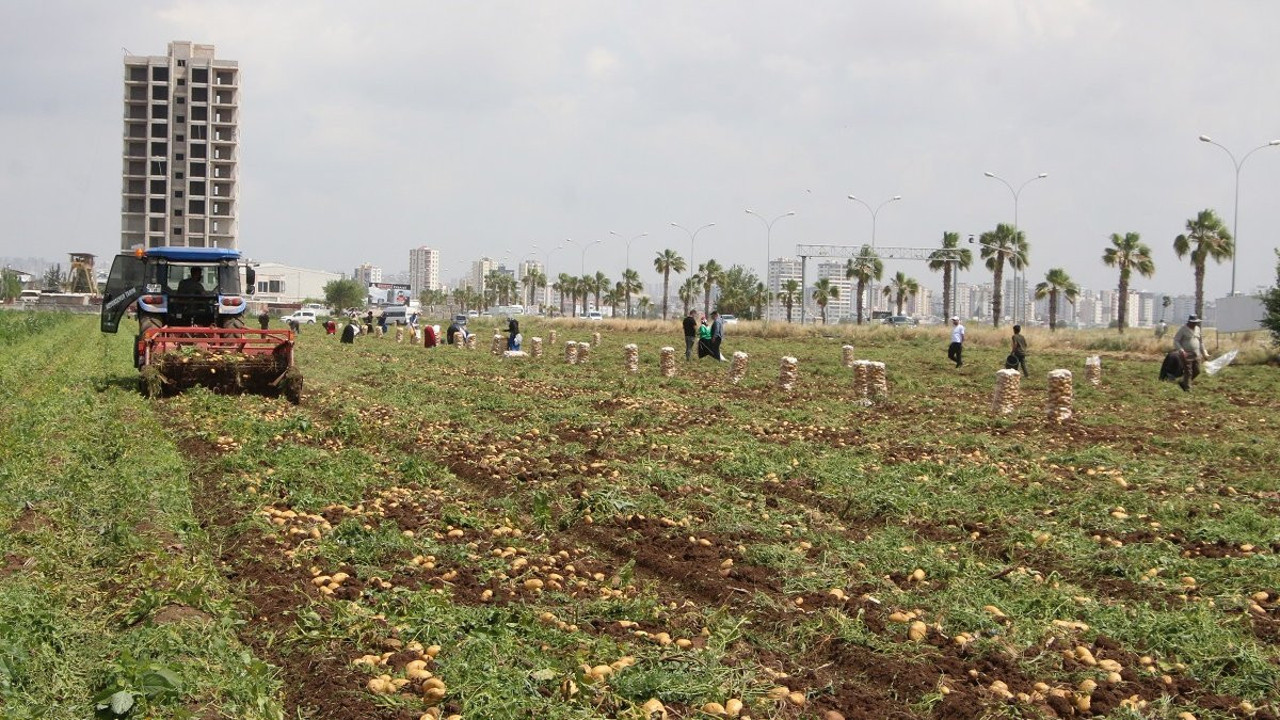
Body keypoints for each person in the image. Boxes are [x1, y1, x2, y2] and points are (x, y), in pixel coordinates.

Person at [1172, 314, 1208, 392]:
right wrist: (1181, 350)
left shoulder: (1198, 329)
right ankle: (1188, 388)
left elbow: (1201, 342)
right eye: (1193, 322)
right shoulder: (1183, 329)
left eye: (1196, 322)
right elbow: (1176, 340)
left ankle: (1183, 382)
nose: (1195, 324)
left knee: (1197, 371)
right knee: (1188, 371)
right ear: (1189, 322)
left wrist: (1204, 352)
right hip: (1186, 354)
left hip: (1196, 353)